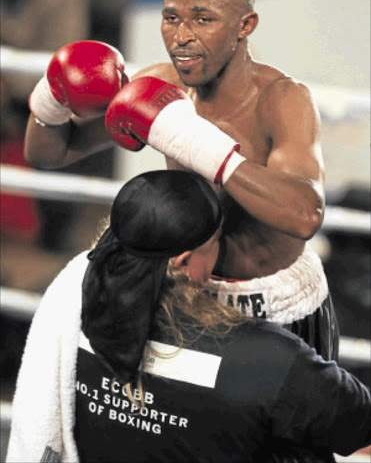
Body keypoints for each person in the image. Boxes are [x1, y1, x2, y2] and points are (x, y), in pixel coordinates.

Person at [23, 0, 338, 361]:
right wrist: (50, 100)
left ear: (245, 25)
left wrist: (194, 141)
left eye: (202, 19)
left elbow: (305, 215)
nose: (181, 37)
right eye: (171, 18)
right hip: (188, 298)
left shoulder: (282, 100)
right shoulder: (158, 87)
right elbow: (50, 152)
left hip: (275, 306)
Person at [6, 170, 371, 463]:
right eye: (217, 246)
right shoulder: (268, 359)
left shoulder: (74, 315)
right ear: (183, 261)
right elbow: (360, 424)